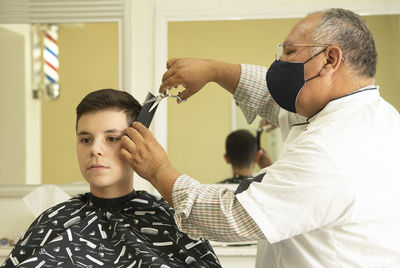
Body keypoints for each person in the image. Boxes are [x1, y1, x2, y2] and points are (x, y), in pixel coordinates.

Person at [121, 8, 400, 267]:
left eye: (290, 52)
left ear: (329, 59)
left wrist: (158, 170)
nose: (279, 63)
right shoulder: (372, 117)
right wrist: (215, 70)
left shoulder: (334, 147)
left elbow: (233, 216)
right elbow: (274, 101)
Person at [2, 89, 221, 268]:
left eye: (112, 138)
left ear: (136, 143)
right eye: (86, 139)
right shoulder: (53, 221)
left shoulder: (172, 221)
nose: (95, 149)